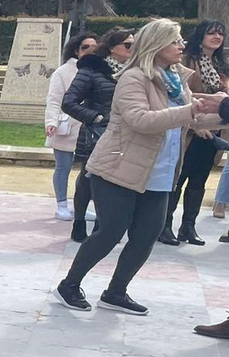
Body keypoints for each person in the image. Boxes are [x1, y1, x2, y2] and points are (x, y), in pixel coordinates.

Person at [55, 19, 224, 315]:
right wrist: (188, 109)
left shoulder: (176, 79)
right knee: (110, 231)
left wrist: (221, 115)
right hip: (120, 167)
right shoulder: (133, 78)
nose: (181, 45)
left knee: (146, 236)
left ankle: (116, 292)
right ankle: (69, 284)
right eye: (174, 41)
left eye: (181, 40)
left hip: (159, 171)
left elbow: (191, 121)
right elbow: (140, 120)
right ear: (156, 45)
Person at [61, 27, 133, 242]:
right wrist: (97, 118)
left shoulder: (134, 72)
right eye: (128, 45)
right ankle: (79, 222)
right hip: (96, 134)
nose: (132, 49)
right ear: (112, 48)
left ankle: (103, 226)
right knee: (88, 180)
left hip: (125, 135)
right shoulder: (92, 69)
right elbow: (68, 102)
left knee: (115, 183)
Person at [161, 19, 229, 246]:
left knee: (199, 180)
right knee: (178, 178)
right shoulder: (188, 61)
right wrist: (196, 124)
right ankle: (165, 226)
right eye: (211, 33)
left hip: (215, 129)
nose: (216, 37)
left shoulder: (220, 64)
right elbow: (183, 94)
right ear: (201, 36)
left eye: (220, 34)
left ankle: (188, 227)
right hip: (189, 128)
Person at [45, 32, 98, 221]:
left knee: (87, 170)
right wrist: (51, 122)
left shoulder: (99, 70)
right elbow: (54, 99)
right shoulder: (63, 72)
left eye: (94, 47)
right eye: (85, 47)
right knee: (63, 167)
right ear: (76, 50)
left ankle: (80, 205)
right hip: (65, 127)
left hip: (90, 128)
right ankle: (61, 205)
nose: (90, 50)